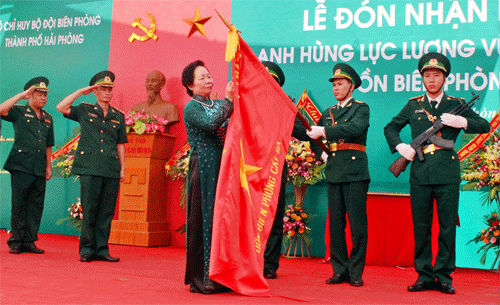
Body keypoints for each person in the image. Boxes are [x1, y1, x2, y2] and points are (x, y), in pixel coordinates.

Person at [384, 52, 490, 295]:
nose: (432, 80)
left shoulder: (456, 104)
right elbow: (390, 127)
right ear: (422, 78)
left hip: (447, 174)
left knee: (446, 228)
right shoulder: (413, 104)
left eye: (437, 75)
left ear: (445, 78)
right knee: (421, 227)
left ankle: (443, 276)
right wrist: (400, 146)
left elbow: (484, 126)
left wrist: (463, 123)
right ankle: (423, 274)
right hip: (420, 175)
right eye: (427, 75)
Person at [307, 63, 370, 287]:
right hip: (334, 171)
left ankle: (355, 272)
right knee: (335, 225)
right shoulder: (328, 113)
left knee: (357, 225)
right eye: (334, 84)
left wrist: (324, 131)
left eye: (340, 83)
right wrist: (321, 154)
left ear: (351, 86)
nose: (336, 88)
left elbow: (354, 129)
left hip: (355, 172)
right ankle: (339, 270)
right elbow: (312, 137)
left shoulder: (361, 109)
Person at [56, 70, 127, 263]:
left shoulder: (118, 116)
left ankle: (102, 249)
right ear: (95, 91)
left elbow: (120, 144)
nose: (107, 93)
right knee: (90, 209)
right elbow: (61, 106)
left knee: (106, 212)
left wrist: (122, 168)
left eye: (109, 89)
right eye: (103, 89)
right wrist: (81, 91)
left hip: (110, 168)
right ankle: (87, 249)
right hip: (90, 167)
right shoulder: (85, 109)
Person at [181, 60, 234, 294]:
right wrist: (231, 101)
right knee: (204, 220)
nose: (208, 79)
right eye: (201, 77)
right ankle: (203, 278)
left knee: (222, 220)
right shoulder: (192, 107)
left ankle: (222, 274)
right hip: (203, 167)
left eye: (209, 75)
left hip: (223, 166)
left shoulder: (220, 103)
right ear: (190, 85)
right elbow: (213, 124)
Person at [261, 61, 309, 279]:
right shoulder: (247, 106)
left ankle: (269, 264)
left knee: (273, 216)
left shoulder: (284, 111)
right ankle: (248, 259)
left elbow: (303, 132)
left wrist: (322, 142)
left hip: (274, 170)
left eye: (274, 83)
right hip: (249, 170)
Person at [1, 77, 54, 254]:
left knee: (35, 205)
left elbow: (48, 144)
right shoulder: (20, 111)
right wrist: (20, 95)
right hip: (21, 164)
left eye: (45, 95)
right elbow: (2, 109)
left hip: (39, 166)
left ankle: (30, 241)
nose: (43, 98)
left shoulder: (48, 118)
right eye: (39, 95)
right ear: (30, 96)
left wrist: (49, 166)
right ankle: (16, 241)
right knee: (19, 204)